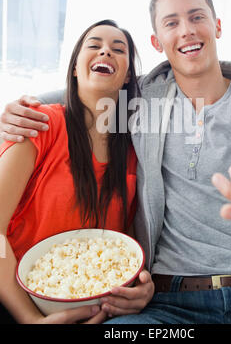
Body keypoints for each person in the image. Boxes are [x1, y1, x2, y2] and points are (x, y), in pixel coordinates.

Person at [1, 0, 231, 324]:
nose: (186, 29)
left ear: (217, 26)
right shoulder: (145, 100)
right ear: (158, 42)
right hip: (172, 303)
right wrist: (18, 108)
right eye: (172, 22)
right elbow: (91, 88)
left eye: (197, 17)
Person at [0, 19, 154, 324]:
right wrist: (31, 319)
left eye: (118, 49)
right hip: (13, 300)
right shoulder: (38, 124)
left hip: (96, 312)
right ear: (74, 68)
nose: (106, 52)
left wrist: (142, 289)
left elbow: (126, 248)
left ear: (127, 78)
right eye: (94, 46)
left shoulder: (136, 152)